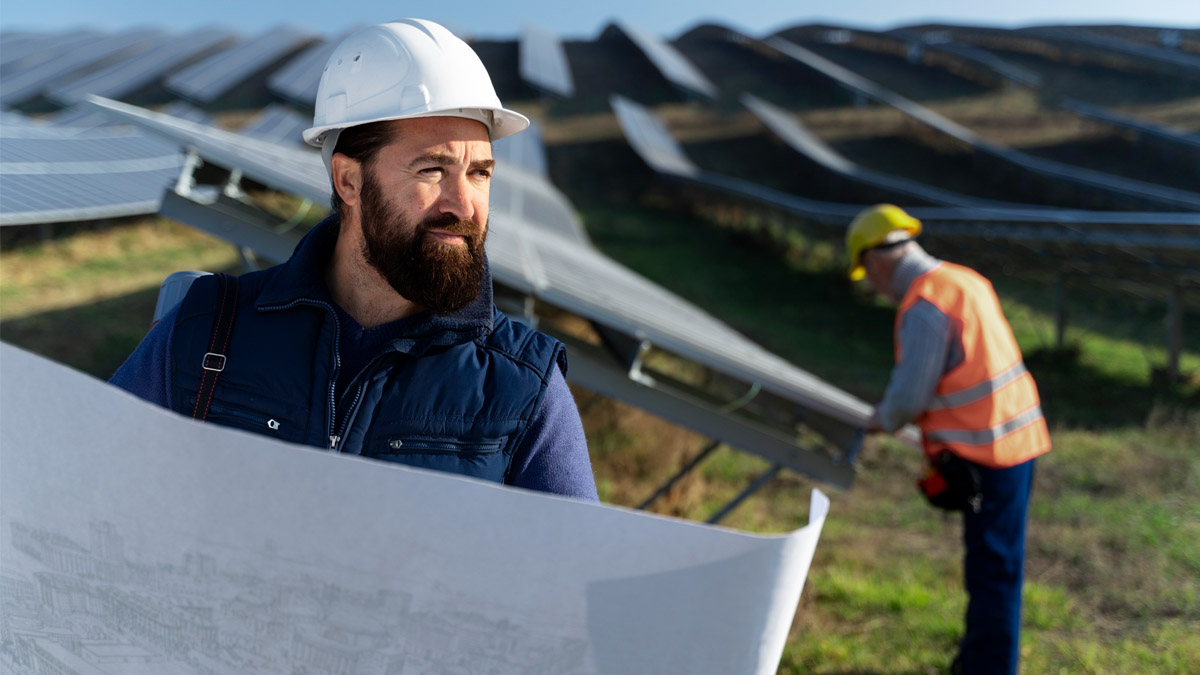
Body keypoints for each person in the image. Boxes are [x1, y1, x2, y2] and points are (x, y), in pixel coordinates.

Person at [110, 19, 597, 501]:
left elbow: (577, 570)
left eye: (479, 173)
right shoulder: (207, 330)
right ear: (348, 182)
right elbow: (87, 488)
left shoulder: (523, 385)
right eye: (432, 169)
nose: (464, 204)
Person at [846, 204, 1051, 675]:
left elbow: (909, 396)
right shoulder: (964, 280)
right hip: (1014, 441)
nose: (874, 285)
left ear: (877, 261)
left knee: (991, 572)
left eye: (868, 274)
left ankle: (989, 667)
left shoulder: (925, 305)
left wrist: (882, 420)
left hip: (986, 453)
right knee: (997, 567)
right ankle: (979, 659)